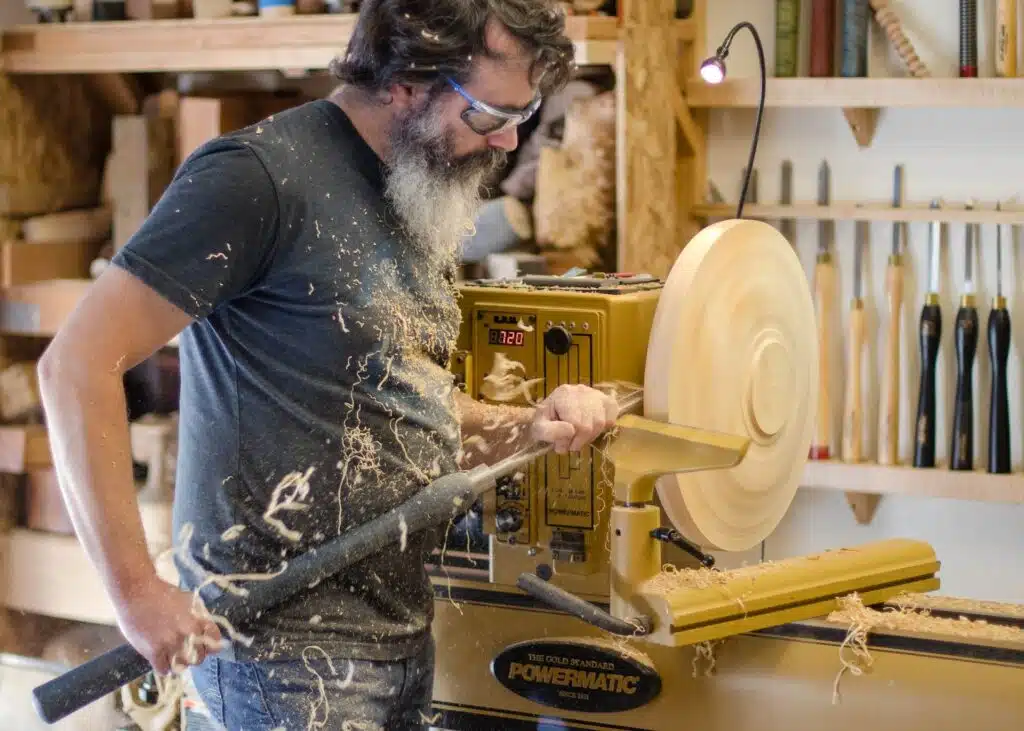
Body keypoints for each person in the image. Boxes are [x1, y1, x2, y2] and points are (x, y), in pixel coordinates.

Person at [36, 0, 619, 728]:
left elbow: (387, 404)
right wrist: (134, 592)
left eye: (523, 114)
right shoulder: (257, 179)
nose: (507, 139)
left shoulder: (417, 186)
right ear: (407, 78)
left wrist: (528, 425)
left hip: (398, 635)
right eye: (488, 115)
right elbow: (75, 365)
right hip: (278, 655)